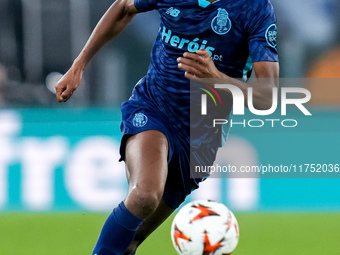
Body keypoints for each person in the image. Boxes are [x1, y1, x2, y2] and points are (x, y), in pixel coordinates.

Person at [54, 0, 279, 254]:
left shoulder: (255, 8)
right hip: (154, 106)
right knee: (144, 196)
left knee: (128, 242)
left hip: (200, 139)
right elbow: (124, 6)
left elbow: (267, 96)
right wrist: (78, 66)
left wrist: (216, 78)